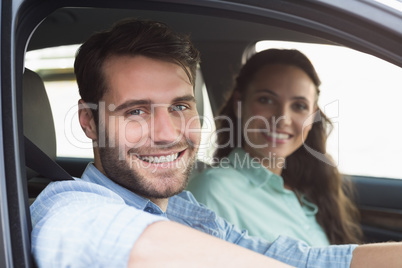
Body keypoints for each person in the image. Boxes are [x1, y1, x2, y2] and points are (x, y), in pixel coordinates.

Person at [29, 18, 402, 268]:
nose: (167, 132)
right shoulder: (67, 205)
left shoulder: (185, 210)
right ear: (89, 121)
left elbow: (301, 259)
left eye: (179, 106)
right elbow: (95, 234)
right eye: (136, 112)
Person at [187, 49, 362, 246]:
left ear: (312, 116)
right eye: (266, 100)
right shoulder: (212, 191)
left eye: (299, 106)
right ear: (239, 104)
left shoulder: (305, 188)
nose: (282, 119)